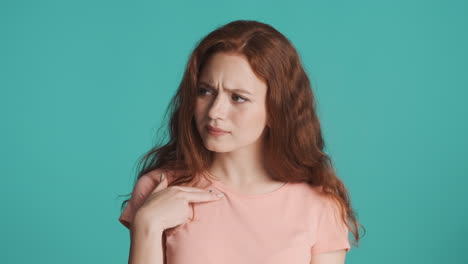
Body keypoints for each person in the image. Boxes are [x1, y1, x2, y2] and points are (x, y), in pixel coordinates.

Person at [118, 20, 364, 264]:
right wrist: (147, 225)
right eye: (205, 91)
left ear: (276, 108)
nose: (215, 111)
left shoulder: (319, 206)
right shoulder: (159, 188)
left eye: (238, 98)